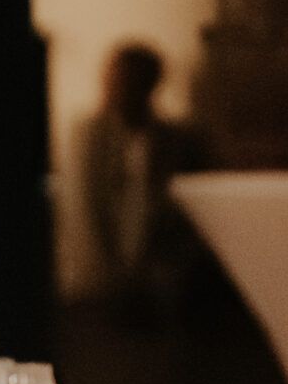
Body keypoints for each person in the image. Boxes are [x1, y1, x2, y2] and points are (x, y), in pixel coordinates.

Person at [79, 40, 210, 324]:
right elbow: (92, 206)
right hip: (110, 289)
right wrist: (112, 269)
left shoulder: (181, 143)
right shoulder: (94, 138)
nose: (110, 89)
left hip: (169, 293)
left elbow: (197, 218)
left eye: (121, 81)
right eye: (109, 79)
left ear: (147, 86)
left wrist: (170, 271)